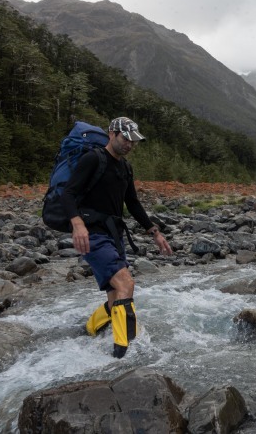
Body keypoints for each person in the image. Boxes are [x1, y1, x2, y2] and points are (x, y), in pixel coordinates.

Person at [61, 116, 172, 358]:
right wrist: (77, 223)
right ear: (112, 134)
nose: (129, 144)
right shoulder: (93, 159)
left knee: (115, 295)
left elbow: (132, 203)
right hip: (92, 235)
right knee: (126, 284)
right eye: (125, 138)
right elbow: (68, 194)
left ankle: (89, 330)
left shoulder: (125, 167)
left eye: (134, 141)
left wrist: (154, 232)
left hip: (114, 234)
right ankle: (123, 354)